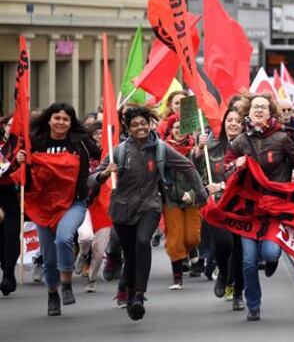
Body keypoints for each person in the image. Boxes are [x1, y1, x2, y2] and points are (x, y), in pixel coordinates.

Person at [89, 106, 205, 321]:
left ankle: (139, 295)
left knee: (142, 243)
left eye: (143, 123)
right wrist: (105, 173)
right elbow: (93, 178)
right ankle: (126, 285)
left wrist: (201, 194)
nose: (140, 127)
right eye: (135, 125)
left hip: (150, 206)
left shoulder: (160, 149)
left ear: (149, 124)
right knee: (130, 254)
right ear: (128, 128)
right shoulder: (119, 150)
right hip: (122, 209)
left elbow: (187, 166)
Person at [225, 93, 294, 321]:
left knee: (270, 253)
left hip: (275, 207)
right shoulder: (239, 142)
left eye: (263, 107)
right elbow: (224, 169)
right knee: (247, 260)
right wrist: (235, 164)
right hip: (248, 210)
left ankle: (272, 260)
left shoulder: (282, 138)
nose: (258, 110)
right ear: (248, 111)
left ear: (270, 112)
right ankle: (253, 304)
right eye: (255, 107)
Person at [16, 103, 101, 316]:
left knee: (63, 239)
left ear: (71, 123)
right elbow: (22, 171)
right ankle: (52, 293)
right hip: (43, 206)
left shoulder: (80, 142)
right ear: (49, 120)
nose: (61, 123)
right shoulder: (35, 142)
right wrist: (20, 159)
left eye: (65, 119)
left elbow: (102, 154)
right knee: (49, 256)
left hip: (74, 203)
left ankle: (66, 284)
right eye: (57, 118)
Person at [198, 108, 246, 311]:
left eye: (237, 120)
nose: (233, 123)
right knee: (223, 245)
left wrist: (224, 186)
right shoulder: (213, 144)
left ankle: (237, 293)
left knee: (240, 251)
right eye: (229, 120)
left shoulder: (248, 145)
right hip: (218, 205)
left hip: (242, 206)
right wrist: (199, 151)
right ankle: (224, 274)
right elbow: (196, 168)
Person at [162, 114, 207, 290]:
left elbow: (201, 173)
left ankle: (192, 249)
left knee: (192, 237)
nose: (178, 131)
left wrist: (192, 193)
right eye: (175, 127)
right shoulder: (163, 149)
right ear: (170, 130)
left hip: (191, 198)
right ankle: (177, 277)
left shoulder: (194, 149)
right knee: (174, 240)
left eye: (182, 127)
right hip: (170, 199)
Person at [0, 115, 20, 296]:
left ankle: (8, 274)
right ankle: (4, 263)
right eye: (9, 125)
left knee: (12, 234)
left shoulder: (21, 147)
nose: (12, 128)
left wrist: (23, 162)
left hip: (13, 196)